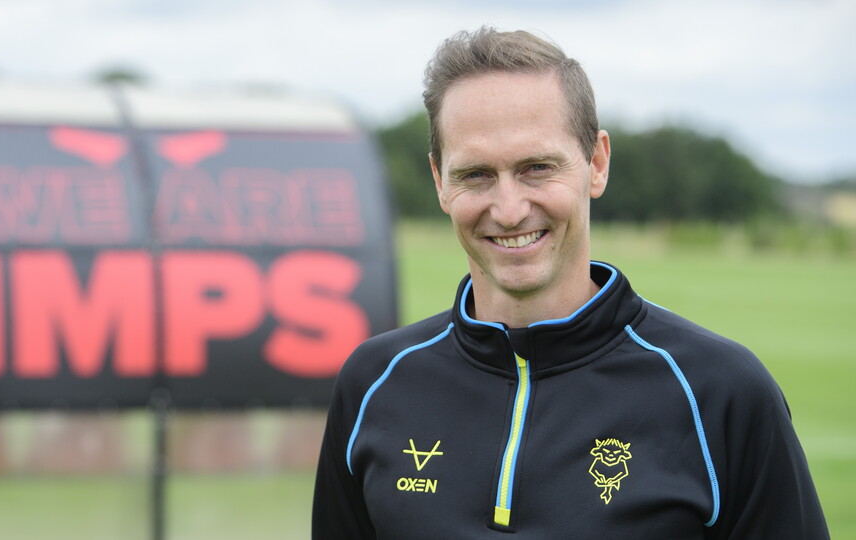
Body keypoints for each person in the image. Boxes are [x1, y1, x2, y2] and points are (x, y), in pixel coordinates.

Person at [312, 27, 828, 538]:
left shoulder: (722, 393)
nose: (509, 209)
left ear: (597, 164)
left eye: (537, 168)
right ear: (439, 182)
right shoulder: (373, 385)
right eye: (475, 175)